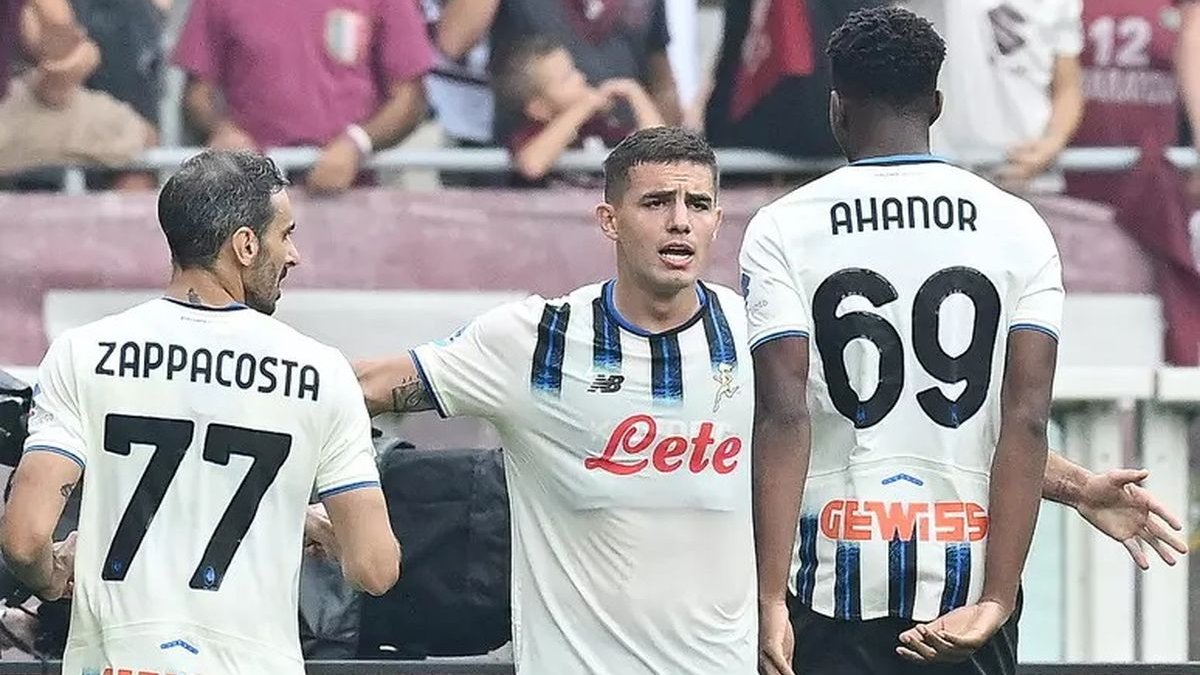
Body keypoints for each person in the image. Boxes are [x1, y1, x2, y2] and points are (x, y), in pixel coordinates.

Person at [744, 7, 1155, 674]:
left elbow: (784, 414)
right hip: (964, 595)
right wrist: (997, 599)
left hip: (828, 589)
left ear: (837, 107)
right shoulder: (1018, 226)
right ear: (936, 104)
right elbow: (1024, 419)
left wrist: (767, 599)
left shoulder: (781, 227)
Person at [357, 126, 758, 674]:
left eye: (699, 204)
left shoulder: (757, 337)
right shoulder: (538, 340)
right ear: (609, 221)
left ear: (717, 220)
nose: (680, 221)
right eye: (656, 202)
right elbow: (364, 387)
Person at [0, 150, 400, 674]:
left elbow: (25, 539)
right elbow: (375, 568)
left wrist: (51, 577)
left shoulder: (83, 352)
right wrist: (323, 530)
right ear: (245, 245)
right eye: (285, 235)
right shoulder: (321, 372)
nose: (294, 254)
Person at [491, 35, 665, 185]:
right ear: (540, 108)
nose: (581, 78)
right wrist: (584, 106)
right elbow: (532, 165)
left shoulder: (598, 127)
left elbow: (659, 152)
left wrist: (634, 93)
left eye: (574, 70)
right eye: (566, 78)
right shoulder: (532, 134)